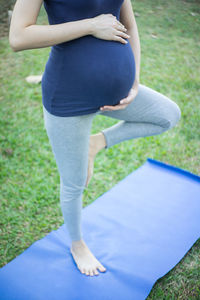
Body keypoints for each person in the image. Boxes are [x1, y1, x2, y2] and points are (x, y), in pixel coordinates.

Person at [9, 0, 181, 277]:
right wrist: (91, 25)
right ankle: (77, 244)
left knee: (167, 115)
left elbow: (130, 24)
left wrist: (134, 80)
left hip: (118, 94)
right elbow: (18, 36)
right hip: (67, 98)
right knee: (74, 182)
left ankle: (97, 142)